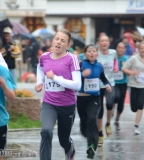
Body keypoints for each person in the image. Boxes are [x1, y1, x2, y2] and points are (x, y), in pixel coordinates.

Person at [35, 29, 81, 160]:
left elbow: (77, 85)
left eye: (62, 40)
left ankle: (69, 147)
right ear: (53, 40)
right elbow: (40, 67)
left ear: (68, 45)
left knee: (63, 140)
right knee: (46, 131)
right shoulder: (44, 57)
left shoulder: (72, 59)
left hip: (67, 105)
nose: (58, 42)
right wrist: (40, 82)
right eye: (57, 39)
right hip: (49, 103)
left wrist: (55, 78)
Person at [77, 44, 111, 159]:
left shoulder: (99, 66)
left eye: (94, 51)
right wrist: (82, 75)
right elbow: (74, 78)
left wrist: (107, 85)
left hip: (94, 97)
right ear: (85, 54)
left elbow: (104, 78)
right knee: (84, 120)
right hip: (82, 97)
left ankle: (91, 146)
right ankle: (83, 128)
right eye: (89, 51)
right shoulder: (81, 64)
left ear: (97, 53)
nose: (91, 53)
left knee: (92, 119)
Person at [96, 34, 118, 147]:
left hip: (110, 83)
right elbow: (83, 56)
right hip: (97, 85)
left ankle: (108, 123)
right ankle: (100, 134)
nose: (104, 43)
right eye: (102, 41)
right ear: (99, 43)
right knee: (99, 110)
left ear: (109, 43)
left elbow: (117, 60)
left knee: (110, 104)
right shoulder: (95, 53)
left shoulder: (113, 52)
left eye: (106, 41)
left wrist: (116, 67)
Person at [113, 42, 128, 130]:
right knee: (115, 97)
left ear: (124, 49)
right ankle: (111, 109)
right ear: (116, 48)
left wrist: (124, 67)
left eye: (122, 48)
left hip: (123, 83)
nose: (121, 49)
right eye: (119, 47)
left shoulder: (126, 59)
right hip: (113, 83)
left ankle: (117, 118)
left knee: (121, 102)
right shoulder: (112, 57)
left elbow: (130, 72)